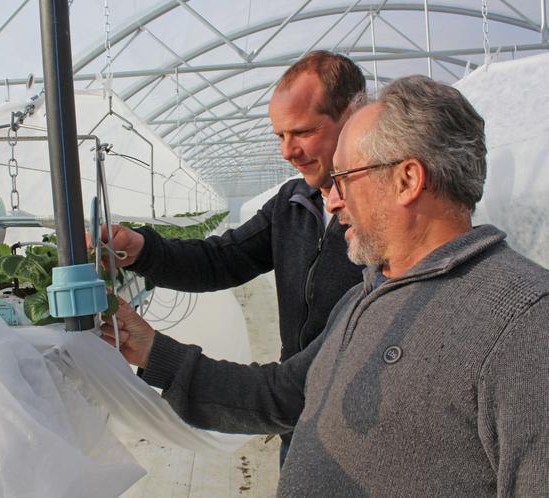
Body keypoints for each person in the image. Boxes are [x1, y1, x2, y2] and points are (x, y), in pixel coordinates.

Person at [102, 75, 549, 497]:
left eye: (344, 179)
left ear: (407, 180)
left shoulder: (525, 325)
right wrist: (149, 349)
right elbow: (282, 395)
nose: (331, 200)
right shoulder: (365, 296)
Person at [102, 51, 366, 459]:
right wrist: (142, 250)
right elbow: (221, 259)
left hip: (359, 428)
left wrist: (161, 355)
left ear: (354, 116)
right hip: (296, 423)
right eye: (279, 135)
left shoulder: (384, 226)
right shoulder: (293, 203)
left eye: (302, 132)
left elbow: (303, 386)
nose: (287, 151)